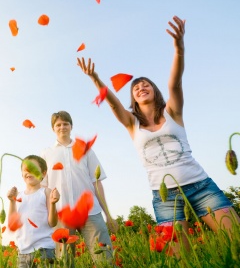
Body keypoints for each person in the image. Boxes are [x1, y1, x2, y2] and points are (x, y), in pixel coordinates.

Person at [77, 16, 240, 240]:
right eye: (136, 87)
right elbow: (113, 103)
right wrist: (95, 78)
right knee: (179, 257)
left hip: (200, 186)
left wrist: (179, 48)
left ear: (155, 90)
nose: (141, 87)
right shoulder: (131, 124)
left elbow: (175, 83)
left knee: (236, 237)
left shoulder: (173, 112)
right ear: (133, 98)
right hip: (165, 197)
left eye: (146, 84)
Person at [40, 110, 118, 265]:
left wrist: (108, 214)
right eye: (58, 124)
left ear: (71, 126)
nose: (62, 127)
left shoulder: (85, 150)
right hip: (62, 214)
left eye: (65, 124)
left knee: (105, 258)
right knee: (65, 262)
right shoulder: (46, 154)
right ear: (53, 128)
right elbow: (44, 189)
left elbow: (97, 182)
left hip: (91, 212)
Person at [7, 155, 60, 268]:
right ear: (22, 174)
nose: (29, 172)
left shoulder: (46, 192)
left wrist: (53, 203)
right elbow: (12, 224)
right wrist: (12, 201)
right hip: (23, 252)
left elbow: (52, 223)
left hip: (44, 250)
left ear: (43, 173)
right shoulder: (19, 196)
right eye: (26, 169)